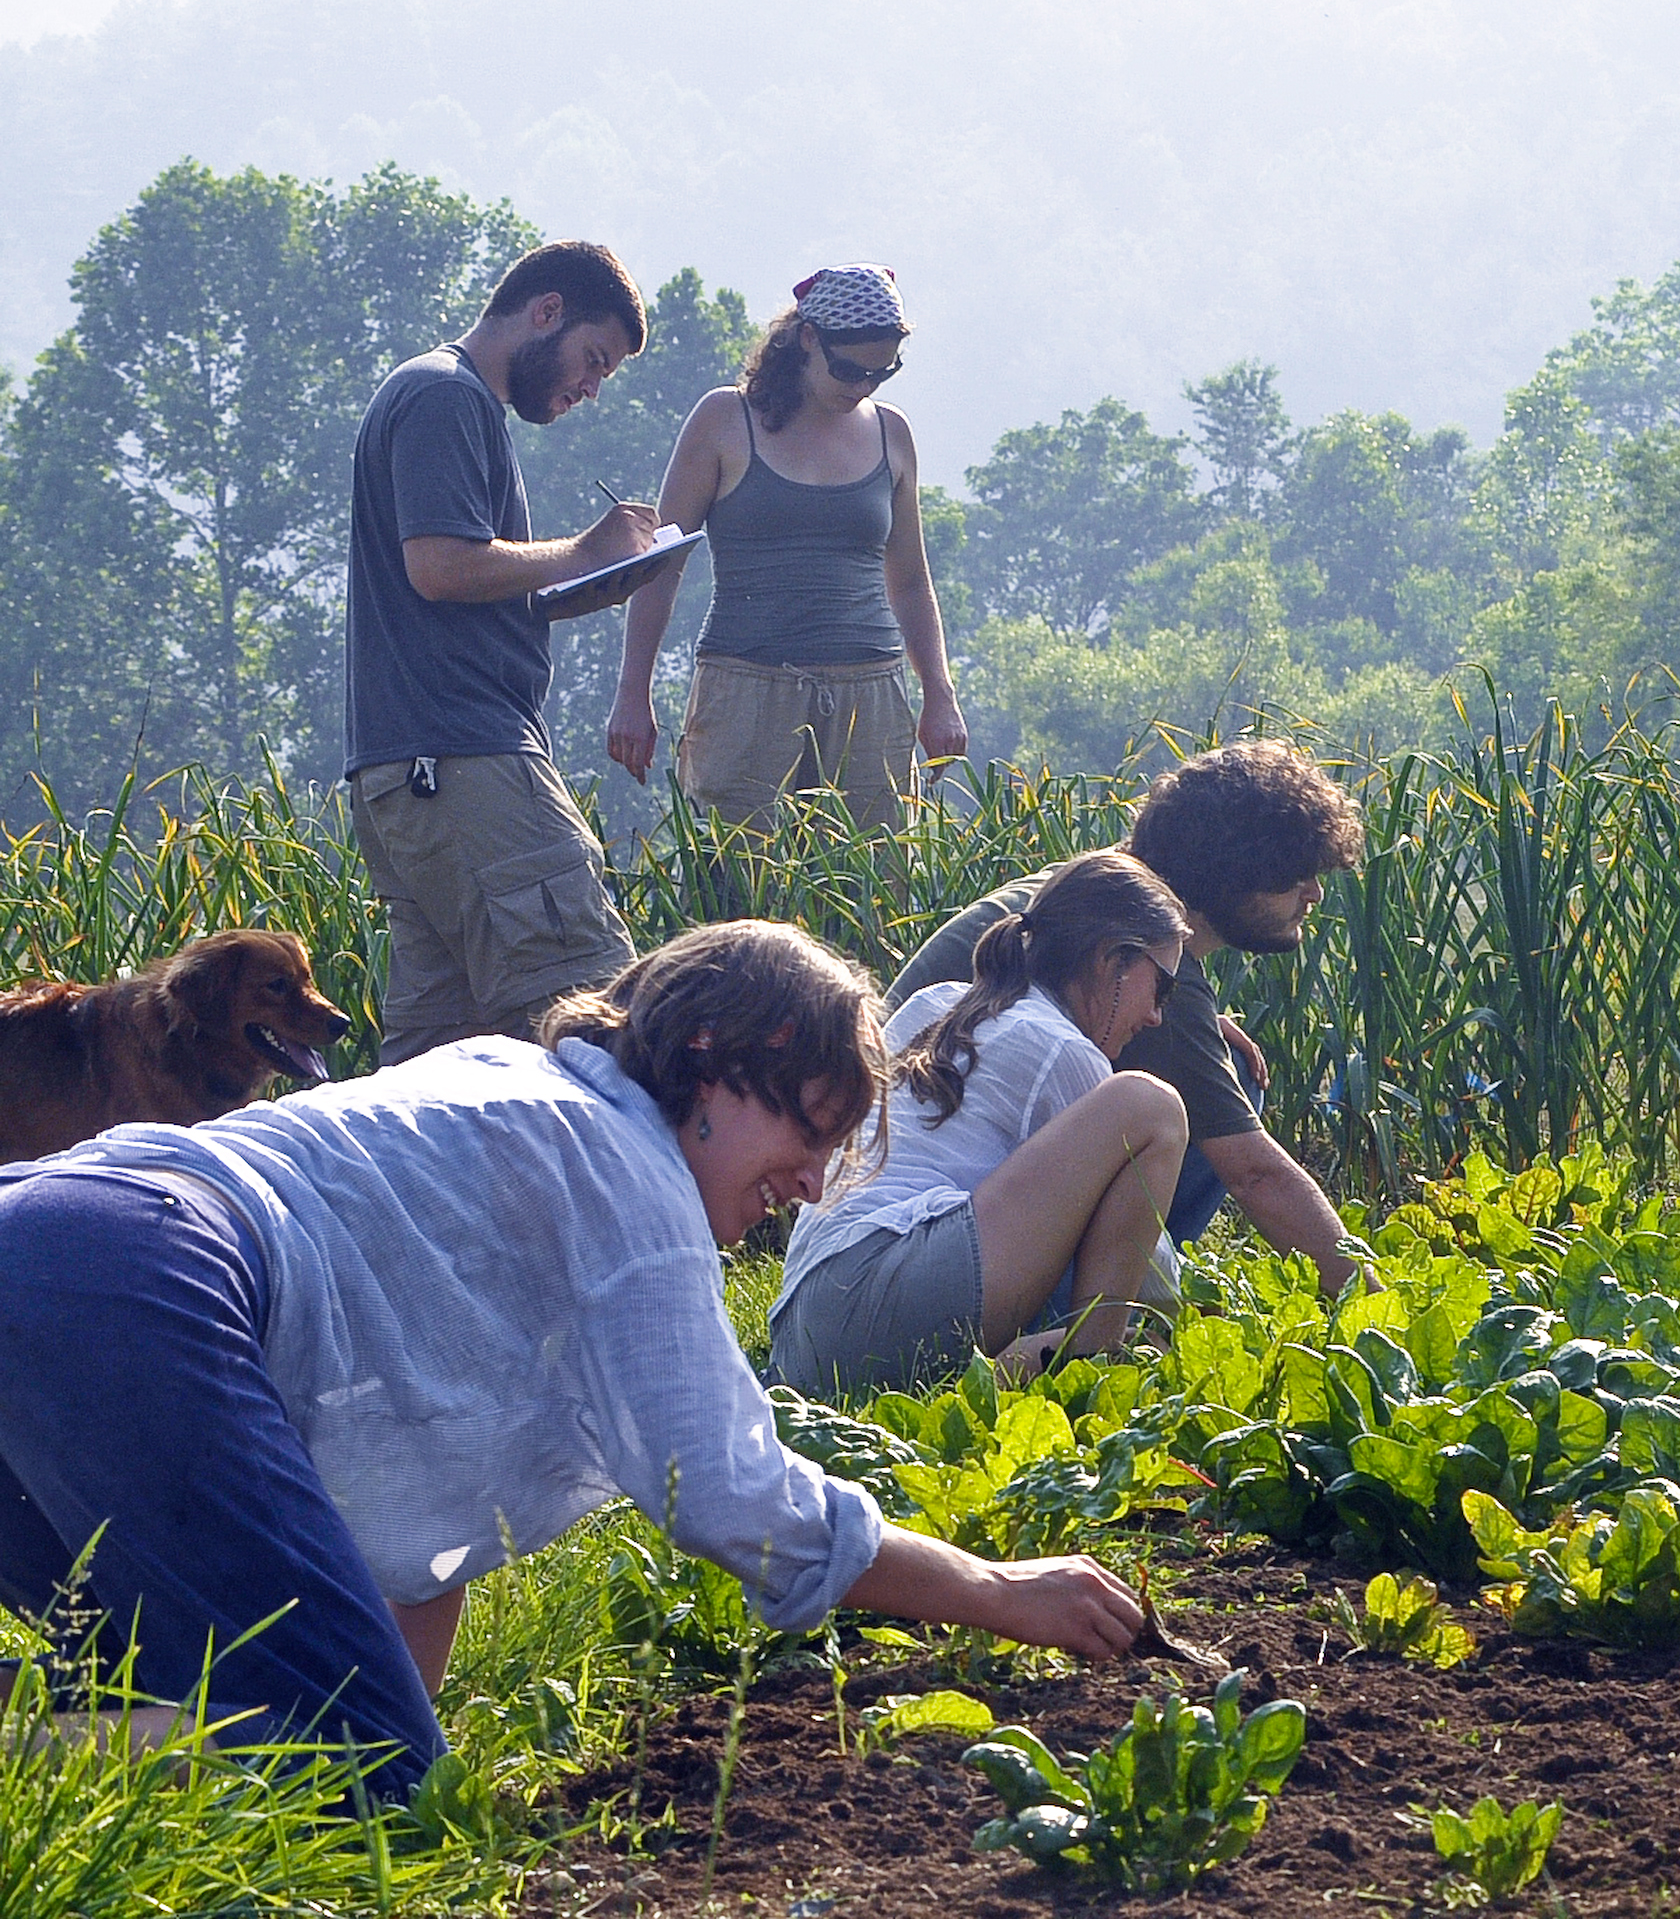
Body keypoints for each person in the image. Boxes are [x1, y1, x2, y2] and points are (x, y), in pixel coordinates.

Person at [0, 921, 1145, 1798]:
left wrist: (414, 1709)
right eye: (810, 1133)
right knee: (348, 1760)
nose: (807, 1184)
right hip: (135, 1285)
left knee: (148, 1694)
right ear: (714, 1057)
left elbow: (417, 1462)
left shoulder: (516, 1083)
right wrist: (998, 1589)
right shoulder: (624, 1171)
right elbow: (743, 1498)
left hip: (51, 1236)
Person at [888, 740, 1362, 1296]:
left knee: (1226, 1065)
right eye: (1292, 875)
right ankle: (1108, 1299)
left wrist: (1202, 1023)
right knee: (1198, 1108)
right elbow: (1253, 1172)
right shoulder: (1146, 952)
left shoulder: (1107, 889)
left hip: (885, 1198)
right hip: (928, 1242)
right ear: (1232, 874)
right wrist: (1372, 1305)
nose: (1314, 892)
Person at [344, 240, 658, 1066]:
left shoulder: (446, 400)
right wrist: (587, 552)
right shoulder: (445, 396)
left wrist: (586, 580)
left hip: (413, 774)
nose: (588, 389)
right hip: (468, 764)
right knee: (608, 1032)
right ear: (545, 310)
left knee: (430, 1076)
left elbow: (461, 578)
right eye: (593, 360)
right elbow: (441, 564)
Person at [770, 853, 1195, 1397]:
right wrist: (1185, 1319)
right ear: (1113, 960)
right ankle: (1089, 1369)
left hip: (804, 1329)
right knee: (1150, 1106)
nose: (1158, 1015)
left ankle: (990, 1376)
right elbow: (1148, 1273)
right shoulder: (1062, 1050)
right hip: (886, 1290)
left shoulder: (937, 1003)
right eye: (1162, 989)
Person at [605, 265, 968, 831]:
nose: (863, 386)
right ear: (807, 338)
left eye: (883, 371)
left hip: (870, 697)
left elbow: (911, 581)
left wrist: (939, 696)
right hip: (745, 691)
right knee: (735, 884)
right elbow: (661, 566)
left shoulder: (892, 433)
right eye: (849, 368)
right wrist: (633, 693)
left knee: (871, 887)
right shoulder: (724, 419)